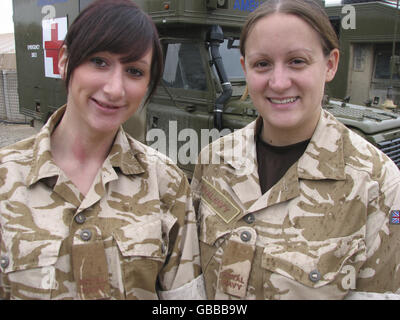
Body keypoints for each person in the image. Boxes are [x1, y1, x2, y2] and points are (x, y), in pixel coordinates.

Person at [191, 0, 400, 300]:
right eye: (262, 64)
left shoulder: (378, 185)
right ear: (245, 69)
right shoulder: (213, 160)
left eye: (297, 61)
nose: (278, 82)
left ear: (330, 64)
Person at [0, 0, 205, 300]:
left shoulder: (167, 184)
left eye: (134, 71)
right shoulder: (6, 178)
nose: (114, 89)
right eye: (99, 62)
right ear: (65, 61)